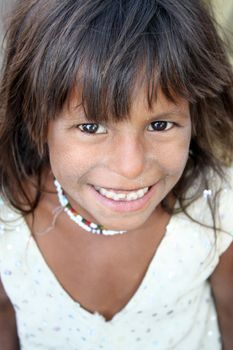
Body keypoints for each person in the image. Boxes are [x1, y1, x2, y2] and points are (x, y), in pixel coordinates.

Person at [0, 0, 233, 349]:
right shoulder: (8, 220)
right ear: (36, 120)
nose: (131, 166)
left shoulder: (217, 208)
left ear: (194, 115)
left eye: (160, 124)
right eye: (91, 126)